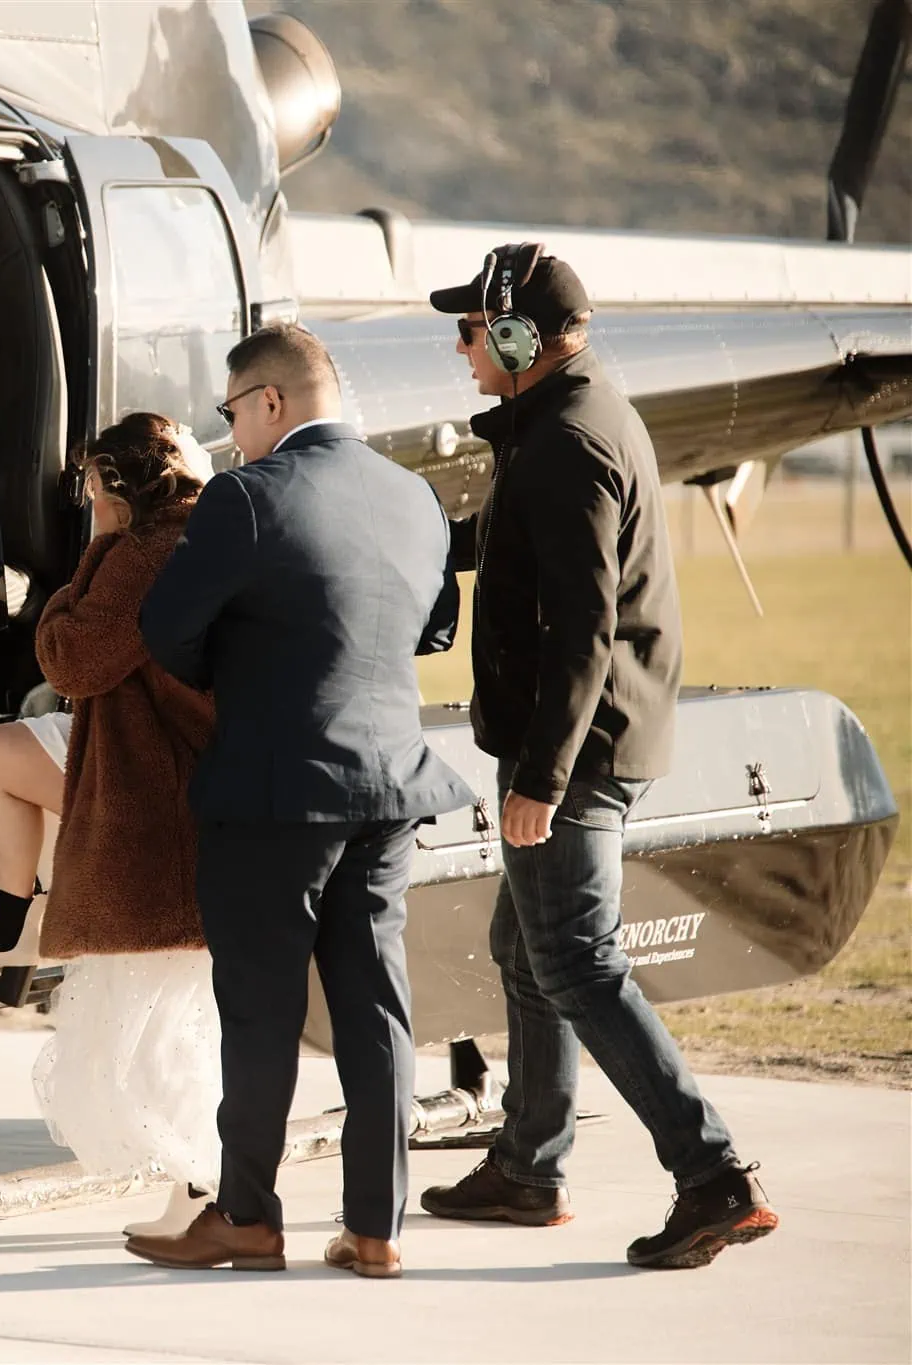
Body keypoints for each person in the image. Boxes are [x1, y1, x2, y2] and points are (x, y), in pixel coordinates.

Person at [419, 245, 777, 1269]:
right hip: (582, 737)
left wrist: (538, 778)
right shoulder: (565, 423)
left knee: (573, 958)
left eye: (471, 327)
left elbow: (580, 628)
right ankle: (527, 1169)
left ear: (521, 336)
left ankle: (711, 1176)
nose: (459, 345)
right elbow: (505, 547)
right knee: (524, 949)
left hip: (571, 749)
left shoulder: (569, 442)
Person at [129, 322, 473, 1280]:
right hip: (391, 784)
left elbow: (165, 629)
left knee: (261, 1013)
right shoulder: (416, 496)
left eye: (232, 412)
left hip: (274, 789)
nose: (230, 433)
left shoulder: (246, 496)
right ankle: (377, 1229)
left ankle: (247, 1216)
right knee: (375, 1011)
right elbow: (434, 626)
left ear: (270, 401)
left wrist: (246, 669)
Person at [0, 413, 222, 1236]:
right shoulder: (207, 528)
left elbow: (69, 659)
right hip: (186, 779)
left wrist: (76, 578)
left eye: (92, 489)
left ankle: (203, 1192)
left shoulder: (139, 556)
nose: (84, 501)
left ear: (120, 489)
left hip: (154, 799)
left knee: (153, 1027)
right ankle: (10, 925)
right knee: (175, 1017)